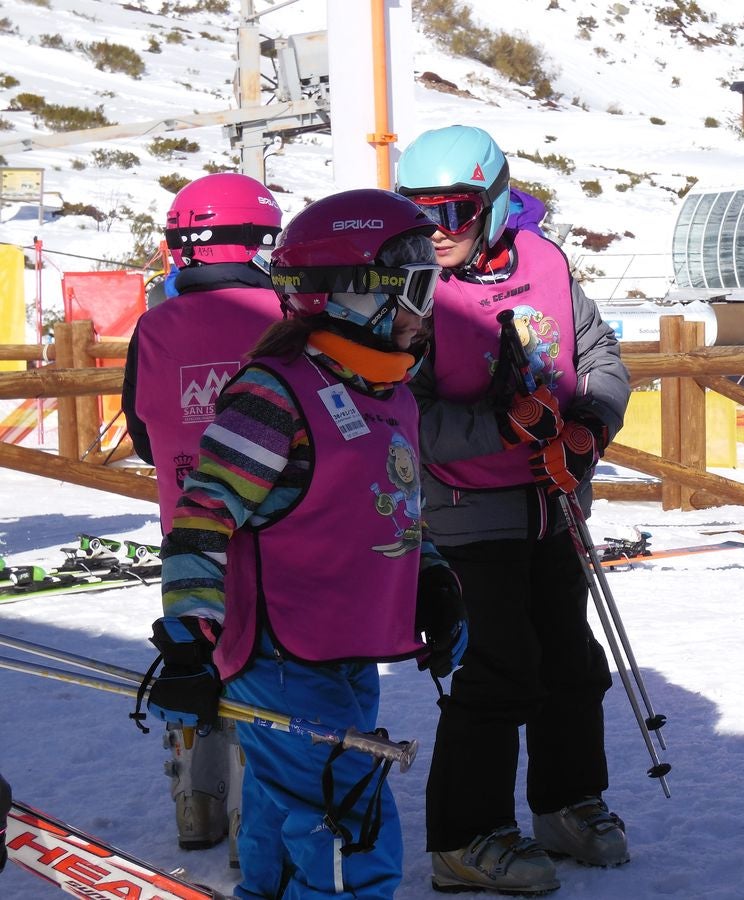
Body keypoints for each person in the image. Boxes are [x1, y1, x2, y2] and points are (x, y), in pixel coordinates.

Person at [141, 189, 468, 899]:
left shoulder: (392, 394)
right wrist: (190, 639)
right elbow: (203, 518)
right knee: (344, 816)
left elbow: (393, 511)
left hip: (342, 653)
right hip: (279, 654)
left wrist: (434, 582)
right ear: (352, 296)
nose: (425, 308)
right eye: (414, 288)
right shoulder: (275, 395)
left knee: (287, 802)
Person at [396, 125, 631, 894]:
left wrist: (589, 428)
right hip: (465, 512)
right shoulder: (410, 291)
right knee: (499, 668)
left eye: (455, 212)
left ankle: (566, 802)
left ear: (494, 206)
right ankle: (465, 837)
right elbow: (405, 416)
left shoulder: (547, 264)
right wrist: (496, 427)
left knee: (570, 661)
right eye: (419, 212)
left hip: (550, 503)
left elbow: (597, 358)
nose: (437, 233)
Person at [121, 172, 284, 865]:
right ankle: (255, 826)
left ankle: (196, 802)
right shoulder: (285, 316)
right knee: (261, 667)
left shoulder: (153, 326)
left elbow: (142, 430)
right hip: (276, 531)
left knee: (196, 656)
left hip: (185, 529)